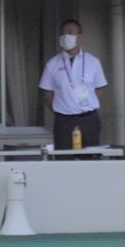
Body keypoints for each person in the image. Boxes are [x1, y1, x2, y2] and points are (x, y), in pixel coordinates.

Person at [37, 19, 108, 151]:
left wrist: (86, 102)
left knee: (91, 158)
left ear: (79, 37)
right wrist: (60, 106)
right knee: (64, 159)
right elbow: (47, 92)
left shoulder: (93, 62)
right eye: (63, 34)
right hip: (63, 120)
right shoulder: (52, 64)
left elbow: (100, 87)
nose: (66, 37)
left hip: (88, 119)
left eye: (70, 33)